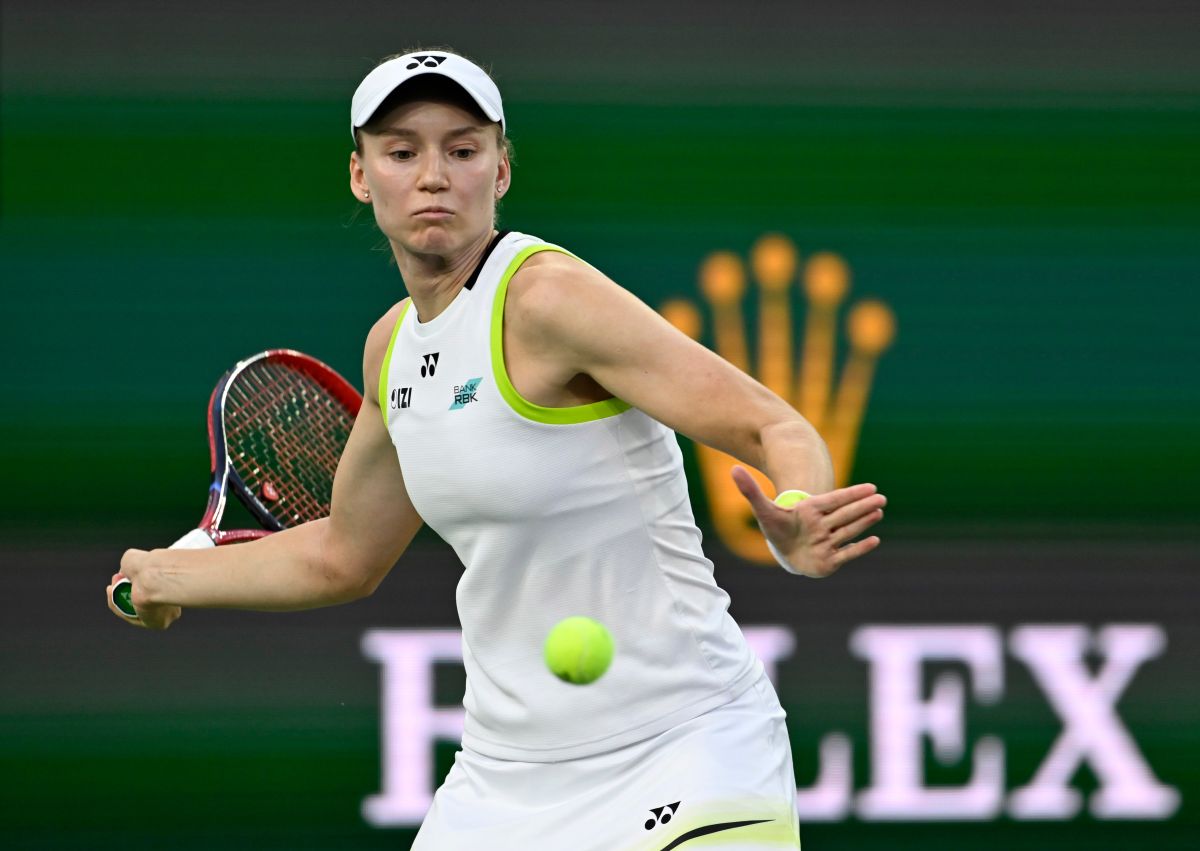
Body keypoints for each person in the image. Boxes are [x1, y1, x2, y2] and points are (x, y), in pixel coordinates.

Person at [109, 48, 887, 850]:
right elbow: (343, 555)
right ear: (360, 175)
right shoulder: (391, 350)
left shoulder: (548, 298)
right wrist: (169, 575)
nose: (433, 176)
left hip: (686, 749)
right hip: (503, 783)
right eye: (402, 152)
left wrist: (797, 507)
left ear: (501, 170)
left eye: (462, 149)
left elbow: (773, 426)